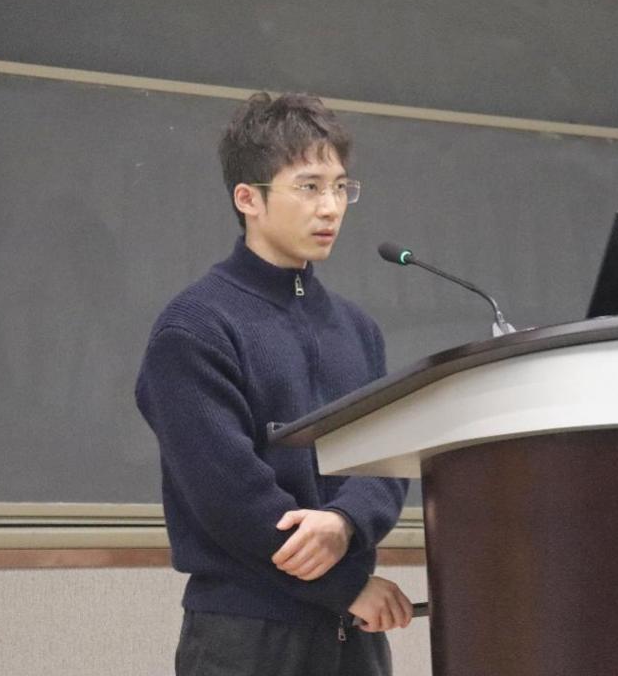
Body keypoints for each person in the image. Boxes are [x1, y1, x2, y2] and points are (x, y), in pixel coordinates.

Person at [135, 92, 412, 676]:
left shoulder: (357, 328)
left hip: (352, 637)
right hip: (246, 634)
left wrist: (345, 522)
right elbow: (228, 496)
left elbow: (386, 460)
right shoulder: (195, 327)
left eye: (340, 187)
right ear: (248, 199)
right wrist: (345, 585)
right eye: (308, 187)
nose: (330, 207)